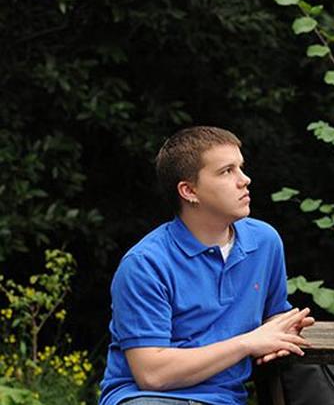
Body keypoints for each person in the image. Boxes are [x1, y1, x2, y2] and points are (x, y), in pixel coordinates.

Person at [99, 126, 314, 405]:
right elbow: (152, 373)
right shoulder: (145, 264)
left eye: (241, 168)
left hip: (224, 399)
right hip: (148, 398)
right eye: (227, 171)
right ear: (189, 191)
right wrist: (247, 343)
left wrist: (282, 329)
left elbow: (272, 317)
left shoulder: (264, 242)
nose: (244, 179)